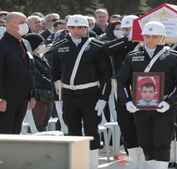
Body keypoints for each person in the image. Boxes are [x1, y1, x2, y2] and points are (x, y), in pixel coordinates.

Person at [118, 21, 177, 169]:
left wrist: (170, 101)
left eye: (154, 36)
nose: (150, 39)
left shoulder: (174, 57)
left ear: (162, 38)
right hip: (140, 106)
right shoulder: (132, 56)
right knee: (145, 140)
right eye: (147, 36)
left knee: (162, 140)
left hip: (164, 106)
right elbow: (122, 82)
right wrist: (127, 101)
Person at [50, 14, 112, 168]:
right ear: (68, 28)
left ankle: (92, 163)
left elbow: (106, 76)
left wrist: (103, 98)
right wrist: (58, 96)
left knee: (92, 128)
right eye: (72, 27)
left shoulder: (98, 47)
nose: (76, 30)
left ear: (87, 28)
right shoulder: (59, 47)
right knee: (72, 128)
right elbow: (54, 73)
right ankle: (77, 164)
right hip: (69, 95)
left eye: (81, 27)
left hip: (90, 94)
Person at [102, 15, 143, 168]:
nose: (126, 32)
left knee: (142, 126)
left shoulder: (144, 43)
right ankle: (132, 159)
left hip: (145, 90)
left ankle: (144, 158)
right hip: (123, 90)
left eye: (130, 29)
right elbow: (105, 49)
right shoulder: (121, 43)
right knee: (126, 125)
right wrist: (127, 39)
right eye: (124, 29)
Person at [0, 12, 36, 134]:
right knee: (5, 133)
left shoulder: (23, 43)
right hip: (6, 99)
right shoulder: (2, 45)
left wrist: (31, 95)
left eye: (25, 22)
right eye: (21, 22)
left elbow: (29, 70)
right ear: (9, 25)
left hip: (22, 98)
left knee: (16, 132)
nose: (25, 25)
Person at [24, 33, 54, 131]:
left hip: (47, 96)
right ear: (34, 45)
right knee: (37, 125)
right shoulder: (29, 59)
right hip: (38, 97)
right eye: (41, 44)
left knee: (43, 125)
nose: (43, 45)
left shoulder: (41, 57)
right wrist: (52, 83)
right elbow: (38, 77)